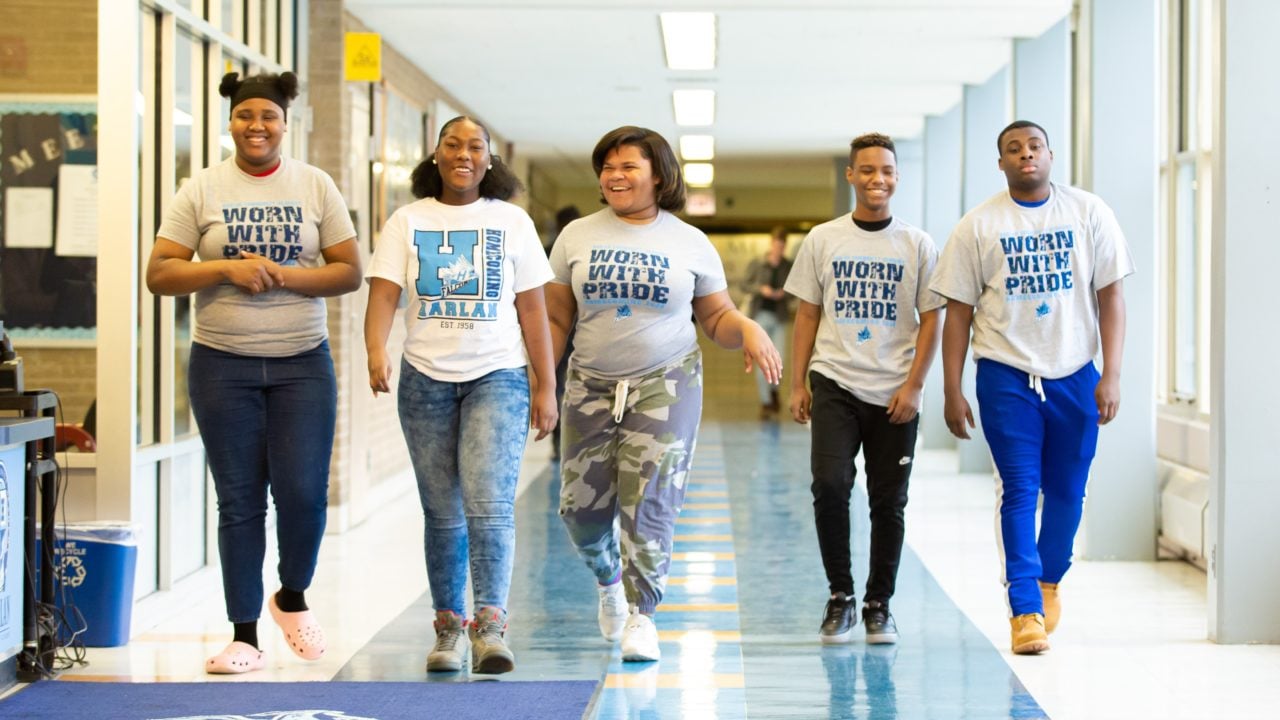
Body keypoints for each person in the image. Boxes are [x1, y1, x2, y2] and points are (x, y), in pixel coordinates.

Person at [146, 71, 362, 674]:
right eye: (246, 116)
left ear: (285, 122)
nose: (257, 126)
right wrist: (223, 271)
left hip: (302, 365)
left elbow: (349, 271)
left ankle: (291, 595)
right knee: (240, 501)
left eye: (268, 115)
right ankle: (244, 635)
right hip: (221, 365)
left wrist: (281, 273)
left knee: (303, 496)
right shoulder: (202, 188)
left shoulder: (314, 186)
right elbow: (160, 273)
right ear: (231, 122)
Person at [545, 126, 782, 663]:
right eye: (607, 166)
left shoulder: (688, 242)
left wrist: (746, 328)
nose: (615, 174)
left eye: (628, 165)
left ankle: (642, 615)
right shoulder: (576, 236)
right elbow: (558, 317)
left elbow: (716, 316)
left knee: (650, 501)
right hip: (589, 382)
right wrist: (538, 379)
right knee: (580, 512)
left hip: (666, 382)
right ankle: (608, 579)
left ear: (659, 175)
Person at [363, 116, 557, 675]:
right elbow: (383, 296)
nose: (464, 154)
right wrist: (377, 350)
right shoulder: (407, 220)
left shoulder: (512, 222)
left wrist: (546, 385)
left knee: (490, 505)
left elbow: (533, 312)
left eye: (476, 146)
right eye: (453, 144)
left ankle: (490, 626)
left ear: (490, 160)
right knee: (442, 512)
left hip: (498, 375)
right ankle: (449, 627)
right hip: (424, 378)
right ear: (437, 155)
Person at [930, 120, 1132, 655]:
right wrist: (952, 389)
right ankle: (1024, 610)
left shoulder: (1089, 212)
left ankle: (1048, 580)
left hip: (1075, 374)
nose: (1026, 155)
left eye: (1034, 146)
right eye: (1013, 150)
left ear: (1050, 153)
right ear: (1001, 163)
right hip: (1004, 374)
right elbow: (958, 313)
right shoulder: (978, 226)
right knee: (1019, 489)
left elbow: (1111, 298)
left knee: (1068, 490)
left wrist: (1110, 373)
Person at [785, 133, 944, 646]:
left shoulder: (917, 244)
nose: (879, 179)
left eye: (888, 171)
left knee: (887, 501)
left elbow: (931, 320)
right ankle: (840, 596)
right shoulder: (823, 239)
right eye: (868, 170)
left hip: (895, 390)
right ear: (851, 175)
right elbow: (807, 313)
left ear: (897, 177)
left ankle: (879, 604)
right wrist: (798, 382)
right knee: (830, 485)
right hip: (834, 380)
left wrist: (915, 386)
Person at [741, 225, 793, 418]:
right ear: (772, 244)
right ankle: (765, 402)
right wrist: (760, 289)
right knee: (762, 360)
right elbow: (744, 284)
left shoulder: (788, 266)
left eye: (782, 245)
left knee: (779, 359)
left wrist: (783, 293)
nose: (778, 248)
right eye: (776, 244)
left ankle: (773, 391)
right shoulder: (758, 263)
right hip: (760, 316)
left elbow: (795, 289)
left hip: (779, 317)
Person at [549, 205, 582, 461]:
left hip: (567, 329)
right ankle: (563, 441)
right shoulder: (558, 251)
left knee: (559, 385)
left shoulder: (551, 249)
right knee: (566, 385)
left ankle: (561, 442)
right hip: (572, 329)